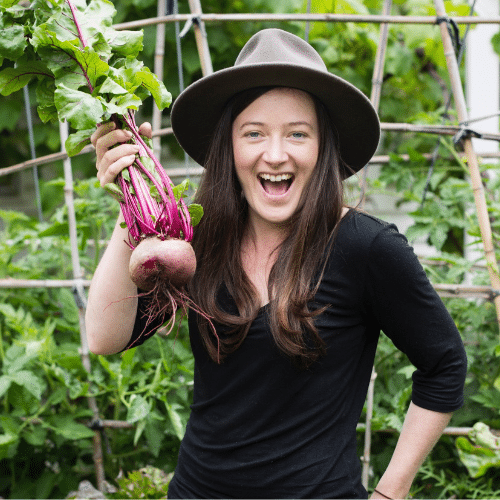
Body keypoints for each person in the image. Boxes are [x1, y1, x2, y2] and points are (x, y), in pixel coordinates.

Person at [86, 29, 467, 499]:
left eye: (297, 134)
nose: (275, 154)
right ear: (229, 147)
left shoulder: (365, 247)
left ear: (323, 147)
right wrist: (132, 206)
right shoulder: (198, 239)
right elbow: (105, 338)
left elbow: (444, 363)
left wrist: (391, 491)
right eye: (254, 133)